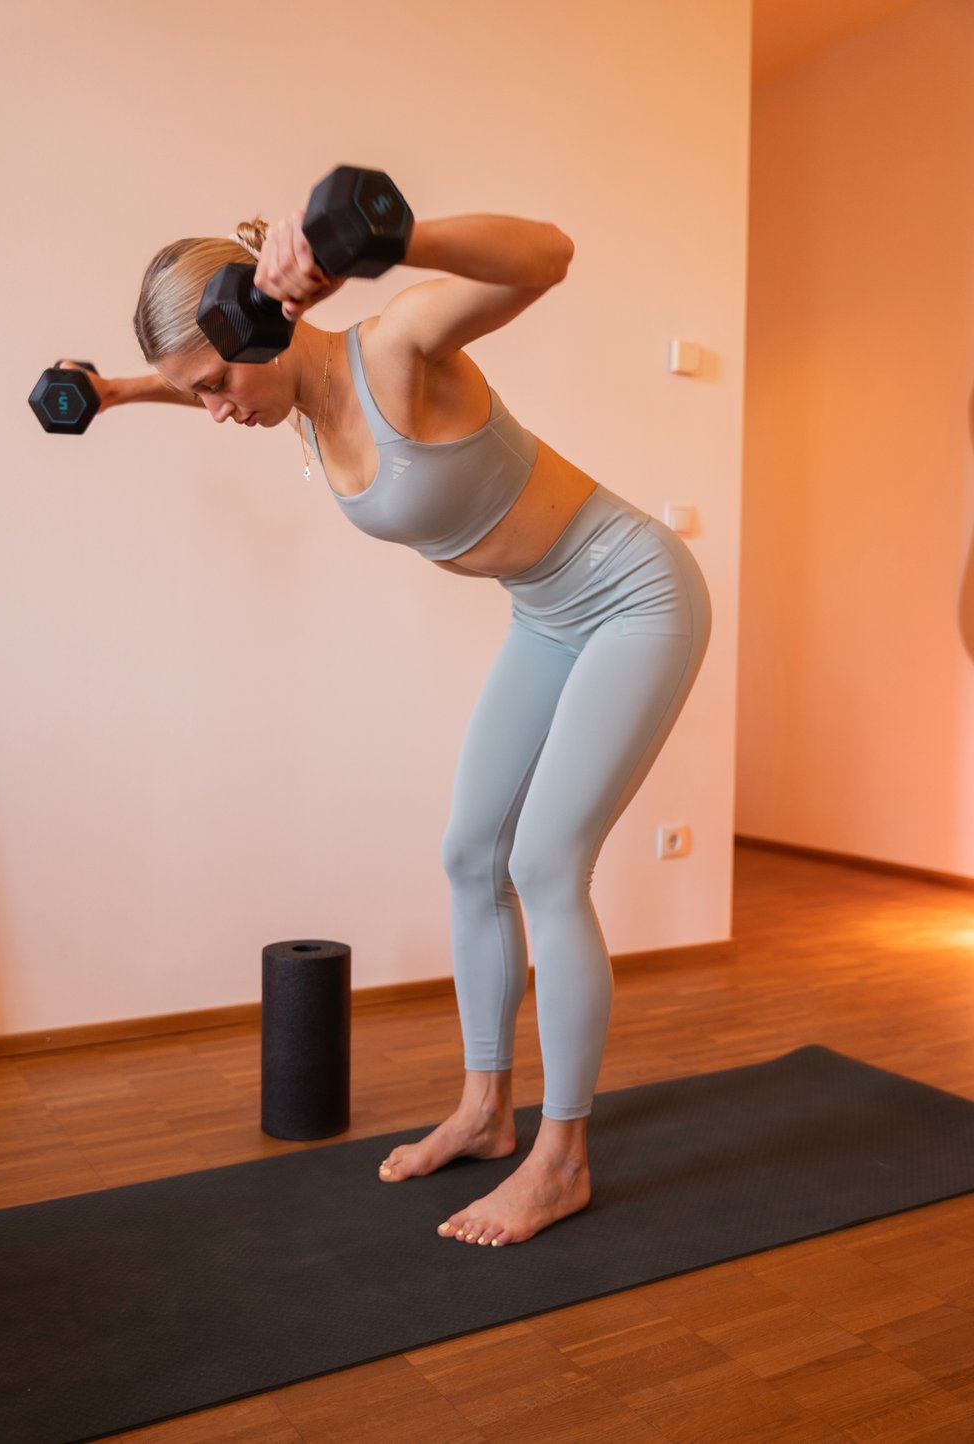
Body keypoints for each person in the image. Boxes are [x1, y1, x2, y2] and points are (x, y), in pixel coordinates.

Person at [76, 189, 712, 1247]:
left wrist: (388, 239)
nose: (219, 411)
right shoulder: (287, 397)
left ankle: (561, 1157)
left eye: (215, 385)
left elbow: (547, 255)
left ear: (262, 324)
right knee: (471, 852)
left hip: (634, 592)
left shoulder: (398, 346)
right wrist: (113, 391)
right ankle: (485, 1107)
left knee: (548, 862)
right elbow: (194, 377)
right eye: (200, 395)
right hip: (547, 613)